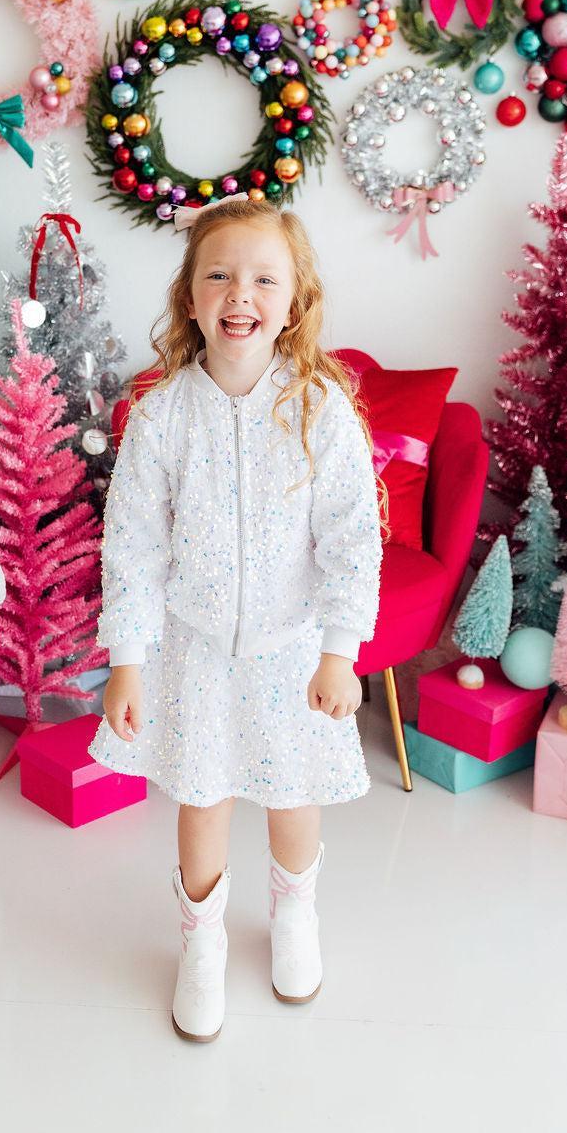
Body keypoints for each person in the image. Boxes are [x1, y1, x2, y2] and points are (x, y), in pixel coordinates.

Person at [89, 194, 384, 1042]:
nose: (239, 293)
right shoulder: (162, 415)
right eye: (218, 275)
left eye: (263, 278)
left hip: (295, 650)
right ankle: (203, 942)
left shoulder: (320, 408)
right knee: (203, 795)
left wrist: (339, 650)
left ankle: (295, 915)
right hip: (196, 650)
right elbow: (134, 545)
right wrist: (127, 660)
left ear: (293, 302)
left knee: (293, 794)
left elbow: (352, 537)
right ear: (190, 297)